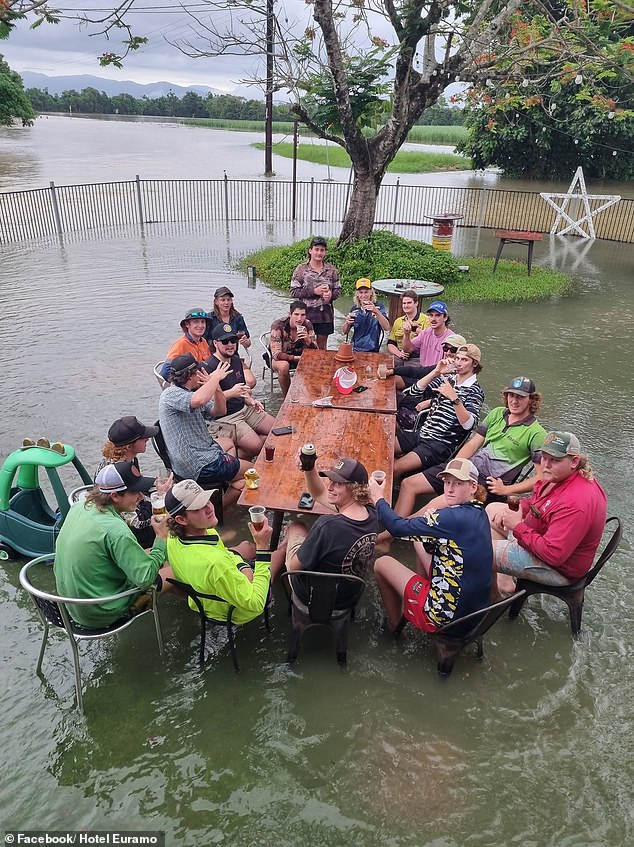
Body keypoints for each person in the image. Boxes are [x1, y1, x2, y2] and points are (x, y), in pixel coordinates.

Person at [389, 376, 546, 523]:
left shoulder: (536, 433)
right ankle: (393, 532)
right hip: (468, 469)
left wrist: (506, 489)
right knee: (409, 484)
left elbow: (541, 477)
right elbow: (473, 444)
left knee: (435, 504)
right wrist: (455, 464)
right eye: (511, 395)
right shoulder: (497, 413)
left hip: (488, 483)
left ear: (532, 399)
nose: (514, 400)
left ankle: (393, 532)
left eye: (520, 397)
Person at [370, 458, 492, 634]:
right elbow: (443, 545)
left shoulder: (449, 518)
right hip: (475, 614)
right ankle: (419, 590)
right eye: (447, 482)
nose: (450, 489)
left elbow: (397, 527)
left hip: (444, 617)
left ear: (473, 487)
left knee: (382, 564)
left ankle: (394, 625)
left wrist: (378, 498)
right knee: (419, 540)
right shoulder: (480, 513)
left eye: (458, 483)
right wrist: (432, 527)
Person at [54, 461, 173, 628]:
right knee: (175, 568)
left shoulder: (81, 505)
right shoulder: (116, 531)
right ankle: (190, 615)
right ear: (115, 496)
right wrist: (161, 537)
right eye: (135, 492)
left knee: (154, 553)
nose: (140, 497)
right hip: (103, 613)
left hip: (71, 606)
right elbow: (146, 579)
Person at [487, 431, 607, 597]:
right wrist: (519, 507)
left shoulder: (576, 502)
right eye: (544, 457)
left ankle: (493, 602)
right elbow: (539, 504)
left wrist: (518, 526)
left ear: (574, 461)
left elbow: (553, 555)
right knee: (492, 509)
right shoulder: (558, 476)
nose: (546, 465)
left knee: (479, 550)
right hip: (541, 537)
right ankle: (504, 584)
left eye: (555, 460)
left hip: (558, 569)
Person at [165, 479, 287, 624]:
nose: (210, 509)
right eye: (198, 508)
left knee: (246, 546)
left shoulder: (173, 536)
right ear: (181, 519)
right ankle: (286, 545)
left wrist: (244, 567)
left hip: (204, 601)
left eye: (207, 501)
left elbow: (225, 553)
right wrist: (262, 547)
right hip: (233, 611)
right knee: (280, 553)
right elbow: (256, 603)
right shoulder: (214, 564)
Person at [282, 456, 378, 607]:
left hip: (312, 595)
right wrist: (309, 468)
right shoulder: (372, 513)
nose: (330, 487)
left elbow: (294, 569)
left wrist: (305, 545)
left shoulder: (326, 526)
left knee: (296, 527)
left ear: (355, 489)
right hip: (349, 594)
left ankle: (282, 553)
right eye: (331, 481)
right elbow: (319, 494)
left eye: (338, 483)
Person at [158, 353, 250, 504]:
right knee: (255, 471)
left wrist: (217, 387)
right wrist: (214, 378)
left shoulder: (190, 392)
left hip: (203, 449)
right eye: (198, 373)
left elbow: (219, 411)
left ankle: (227, 482)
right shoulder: (171, 394)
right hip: (197, 463)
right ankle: (221, 506)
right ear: (191, 376)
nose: (202, 375)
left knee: (228, 442)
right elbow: (198, 400)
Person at [394, 343, 485, 479]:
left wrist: (454, 398)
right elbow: (414, 392)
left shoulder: (475, 391)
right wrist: (436, 372)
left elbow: (469, 425)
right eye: (457, 358)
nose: (459, 363)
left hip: (438, 445)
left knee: (395, 467)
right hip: (422, 433)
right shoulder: (449, 380)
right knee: (382, 448)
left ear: (474, 364)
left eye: (464, 360)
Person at [95, 416, 173, 548]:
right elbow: (137, 522)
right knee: (173, 519)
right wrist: (160, 499)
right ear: (130, 446)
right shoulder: (118, 471)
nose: (147, 439)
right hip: (126, 527)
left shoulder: (129, 459)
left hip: (131, 510)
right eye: (143, 438)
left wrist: (158, 492)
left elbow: (137, 489)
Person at [203, 323, 274, 457]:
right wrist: (232, 393)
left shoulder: (236, 360)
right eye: (225, 341)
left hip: (244, 408)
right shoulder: (208, 367)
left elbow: (241, 389)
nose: (230, 344)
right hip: (226, 417)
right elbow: (207, 401)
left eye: (233, 340)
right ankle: (233, 456)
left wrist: (250, 400)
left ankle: (244, 446)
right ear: (216, 343)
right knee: (257, 446)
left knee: (276, 430)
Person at [290, 236, 341, 350]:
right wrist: (314, 291)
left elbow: (338, 290)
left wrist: (330, 295)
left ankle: (322, 368)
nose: (319, 253)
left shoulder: (332, 270)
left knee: (322, 348)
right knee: (306, 346)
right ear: (310, 250)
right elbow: (293, 291)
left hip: (325, 316)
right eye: (316, 249)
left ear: (325, 252)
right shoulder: (301, 269)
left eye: (322, 250)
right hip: (306, 316)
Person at [269, 300, 318, 396]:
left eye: (302, 315)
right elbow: (276, 354)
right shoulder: (278, 325)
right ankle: (288, 396)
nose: (299, 318)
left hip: (300, 356)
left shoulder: (307, 325)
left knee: (318, 363)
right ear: (290, 314)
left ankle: (310, 394)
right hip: (280, 357)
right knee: (284, 366)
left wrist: (308, 340)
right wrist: (296, 358)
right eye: (296, 314)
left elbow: (316, 352)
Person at [342, 278, 391, 353]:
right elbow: (345, 331)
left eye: (366, 292)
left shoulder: (379, 306)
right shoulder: (355, 309)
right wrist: (347, 323)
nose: (363, 295)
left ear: (371, 292)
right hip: (356, 349)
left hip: (373, 350)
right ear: (357, 294)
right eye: (361, 292)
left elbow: (387, 327)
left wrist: (376, 312)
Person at [204, 286, 251, 352]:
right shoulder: (209, 318)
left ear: (231, 301)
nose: (226, 303)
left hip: (233, 355)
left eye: (228, 300)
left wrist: (245, 342)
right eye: (223, 300)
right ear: (216, 302)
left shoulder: (238, 318)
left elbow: (248, 344)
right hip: (213, 356)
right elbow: (201, 341)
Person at [386, 290, 430, 361]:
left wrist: (414, 328)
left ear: (416, 303)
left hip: (417, 357)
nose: (406, 306)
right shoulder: (398, 321)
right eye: (404, 303)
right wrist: (399, 353)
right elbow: (390, 343)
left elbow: (429, 340)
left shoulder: (426, 320)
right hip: (399, 356)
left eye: (409, 303)